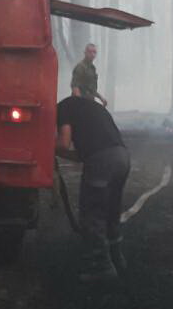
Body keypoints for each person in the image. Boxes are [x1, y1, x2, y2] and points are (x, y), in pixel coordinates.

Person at [55, 92, 130, 281]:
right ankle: (117, 258)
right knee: (111, 212)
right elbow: (82, 155)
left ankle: (101, 267)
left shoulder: (63, 108)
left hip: (101, 161)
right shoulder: (94, 108)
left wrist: (48, 148)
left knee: (93, 214)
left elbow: (63, 143)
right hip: (122, 157)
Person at [71, 43, 107, 107]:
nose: (92, 54)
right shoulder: (80, 67)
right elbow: (75, 86)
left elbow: (91, 89)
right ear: (85, 53)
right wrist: (80, 103)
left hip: (90, 102)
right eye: (90, 52)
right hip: (80, 104)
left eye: (94, 52)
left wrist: (101, 98)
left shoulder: (92, 68)